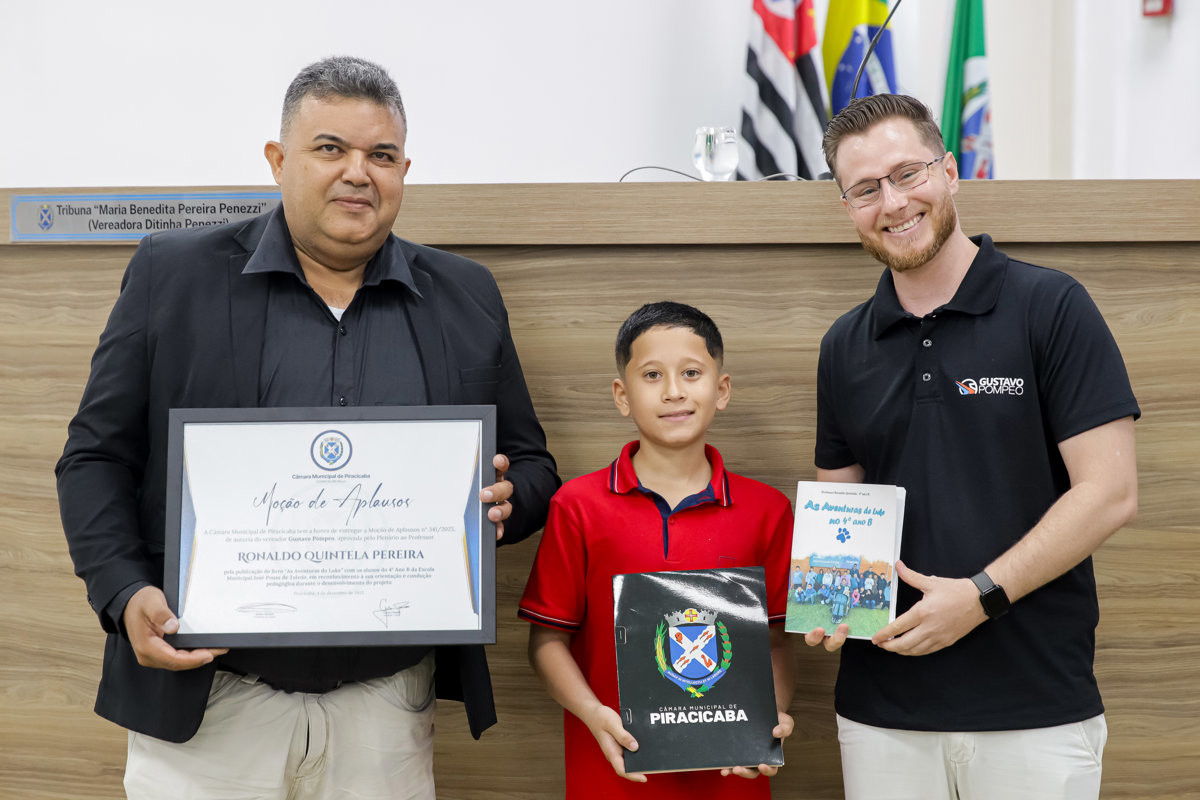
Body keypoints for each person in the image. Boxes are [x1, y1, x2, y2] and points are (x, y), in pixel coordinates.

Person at [54, 55, 559, 799]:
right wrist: (126, 593)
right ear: (278, 160)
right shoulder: (174, 275)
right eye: (331, 149)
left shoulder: (466, 295)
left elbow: (536, 466)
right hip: (211, 704)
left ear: (404, 169)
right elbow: (94, 458)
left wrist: (511, 503)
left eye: (381, 156)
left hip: (386, 713)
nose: (359, 173)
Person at [806, 93, 1139, 800]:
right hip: (882, 712)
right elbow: (842, 510)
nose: (893, 203)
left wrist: (980, 597)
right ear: (846, 207)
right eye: (865, 189)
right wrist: (830, 603)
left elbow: (1109, 493)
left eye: (908, 173)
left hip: (1034, 709)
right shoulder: (842, 346)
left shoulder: (1051, 306)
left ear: (950, 171)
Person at [518, 302, 795, 798]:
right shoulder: (577, 506)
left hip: (731, 779)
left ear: (722, 389)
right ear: (622, 396)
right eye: (652, 375)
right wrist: (592, 714)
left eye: (691, 372)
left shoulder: (768, 510)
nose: (673, 391)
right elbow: (547, 644)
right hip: (612, 773)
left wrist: (765, 724)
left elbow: (774, 645)